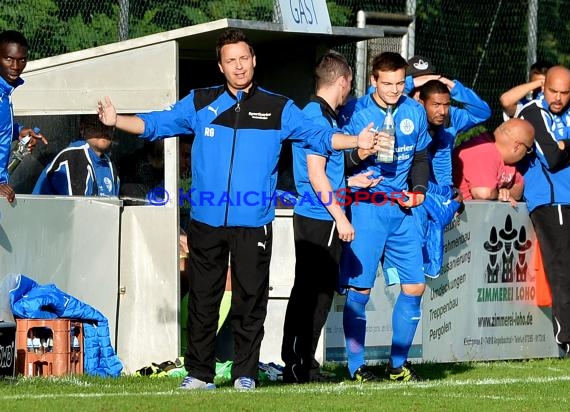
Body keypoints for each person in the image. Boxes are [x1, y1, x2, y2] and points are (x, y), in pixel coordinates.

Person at [97, 28, 377, 391]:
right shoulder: (200, 102)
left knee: (250, 301)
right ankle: (199, 374)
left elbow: (320, 136)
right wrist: (116, 120)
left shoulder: (278, 107)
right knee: (203, 301)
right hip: (206, 221)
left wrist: (356, 140)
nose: (239, 66)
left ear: (254, 60)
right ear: (221, 66)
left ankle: (246, 374)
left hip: (254, 223)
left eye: (244, 58)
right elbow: (154, 124)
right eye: (231, 60)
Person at [281, 52, 380, 384]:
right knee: (311, 295)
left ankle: (303, 364)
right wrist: (341, 217)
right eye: (351, 82)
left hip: (321, 212)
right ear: (343, 81)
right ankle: (297, 365)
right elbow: (316, 175)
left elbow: (325, 174)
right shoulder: (317, 118)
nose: (351, 89)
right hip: (318, 217)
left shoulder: (324, 116)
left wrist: (351, 183)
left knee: (320, 294)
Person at [340, 52, 431, 382]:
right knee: (360, 291)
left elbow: (421, 156)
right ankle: (356, 367)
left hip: (402, 210)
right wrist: (360, 152)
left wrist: (418, 189)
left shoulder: (414, 111)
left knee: (415, 286)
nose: (394, 90)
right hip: (366, 207)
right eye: (387, 83)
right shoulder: (356, 111)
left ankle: (397, 366)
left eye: (399, 83)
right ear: (373, 81)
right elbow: (339, 160)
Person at [516, 65, 570, 356]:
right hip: (553, 200)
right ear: (543, 86)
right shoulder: (533, 112)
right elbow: (551, 157)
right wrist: (561, 147)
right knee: (563, 268)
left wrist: (567, 145)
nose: (558, 98)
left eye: (564, 93)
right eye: (553, 91)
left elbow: (562, 150)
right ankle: (567, 336)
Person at [0, 30, 46, 203]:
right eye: (8, 59)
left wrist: (19, 132)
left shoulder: (4, 93)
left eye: (22, 60)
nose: (15, 66)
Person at [452, 118, 535, 204]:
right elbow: (483, 194)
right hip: (461, 213)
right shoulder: (483, 150)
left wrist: (504, 192)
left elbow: (518, 191)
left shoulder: (507, 160)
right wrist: (499, 194)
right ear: (517, 147)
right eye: (528, 149)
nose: (526, 153)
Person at [32, 115, 119, 196]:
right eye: (97, 124)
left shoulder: (108, 163)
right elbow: (77, 208)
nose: (104, 128)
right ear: (83, 128)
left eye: (108, 124)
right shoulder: (74, 157)